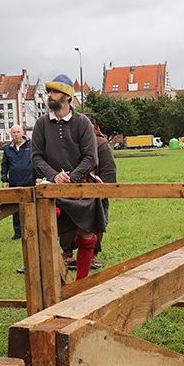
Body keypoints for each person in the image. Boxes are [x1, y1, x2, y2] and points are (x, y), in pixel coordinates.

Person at [31, 74, 107, 280]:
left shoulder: (82, 123)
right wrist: (55, 176)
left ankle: (81, 282)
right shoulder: (41, 124)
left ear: (67, 97)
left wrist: (72, 177)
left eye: (54, 92)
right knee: (45, 228)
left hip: (81, 187)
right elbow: (36, 156)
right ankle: (52, 277)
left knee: (85, 234)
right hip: (53, 188)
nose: (50, 95)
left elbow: (91, 158)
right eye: (49, 92)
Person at [60, 113, 116, 270]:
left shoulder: (101, 145)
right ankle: (67, 255)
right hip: (71, 192)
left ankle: (91, 256)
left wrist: (102, 190)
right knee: (68, 223)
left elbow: (108, 170)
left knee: (94, 223)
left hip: (94, 193)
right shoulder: (70, 144)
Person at [0, 124, 34, 240]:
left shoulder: (31, 145)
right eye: (13, 133)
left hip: (29, 180)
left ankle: (32, 229)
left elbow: (37, 161)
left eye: (18, 132)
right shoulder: (8, 148)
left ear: (23, 132)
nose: (16, 135)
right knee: (16, 208)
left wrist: (39, 176)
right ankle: (18, 232)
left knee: (31, 207)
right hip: (14, 181)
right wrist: (4, 179)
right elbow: (4, 164)